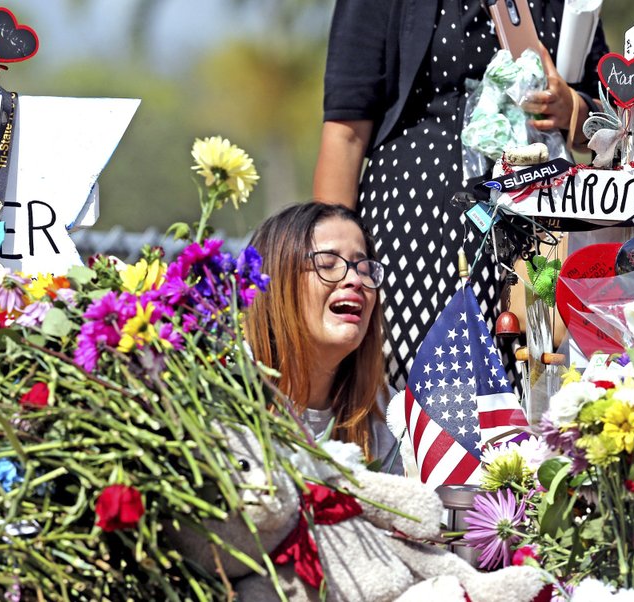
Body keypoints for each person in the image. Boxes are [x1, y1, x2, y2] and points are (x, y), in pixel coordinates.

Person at [312, 0, 609, 389]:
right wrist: (328, 267)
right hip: (413, 235)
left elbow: (609, 122)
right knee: (409, 396)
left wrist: (571, 106)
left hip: (535, 236)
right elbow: (345, 134)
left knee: (529, 398)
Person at [245, 201, 402, 474]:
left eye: (365, 269)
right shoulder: (224, 391)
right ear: (275, 282)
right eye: (328, 264)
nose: (354, 279)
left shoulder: (387, 416)